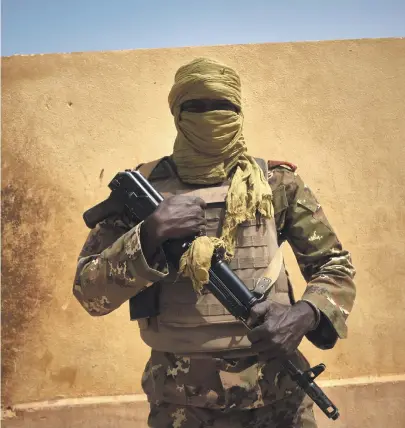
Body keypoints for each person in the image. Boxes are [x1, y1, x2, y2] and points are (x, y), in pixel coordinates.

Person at [73, 57, 356, 428]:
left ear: (238, 112)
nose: (210, 116)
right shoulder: (144, 190)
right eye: (196, 107)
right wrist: (150, 233)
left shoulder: (275, 184)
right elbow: (88, 290)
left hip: (278, 395)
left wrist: (302, 316)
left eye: (222, 106)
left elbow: (334, 266)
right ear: (177, 113)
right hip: (182, 403)